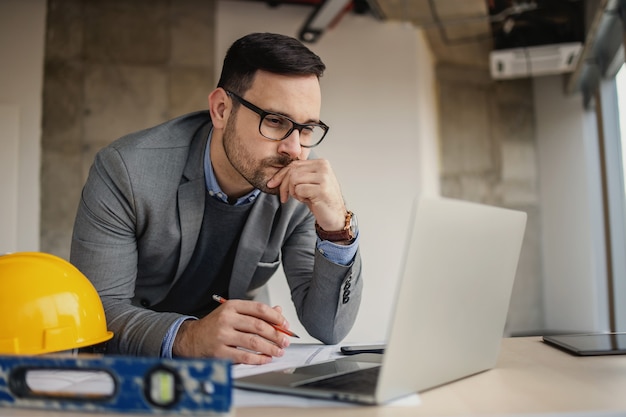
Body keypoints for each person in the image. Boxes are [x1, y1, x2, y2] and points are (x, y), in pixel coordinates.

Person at [70, 32, 362, 365]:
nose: (294, 149)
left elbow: (329, 328)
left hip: (235, 371)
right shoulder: (126, 171)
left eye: (306, 128)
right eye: (276, 121)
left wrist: (338, 229)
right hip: (135, 368)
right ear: (221, 109)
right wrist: (189, 336)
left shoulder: (301, 188)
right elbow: (98, 313)